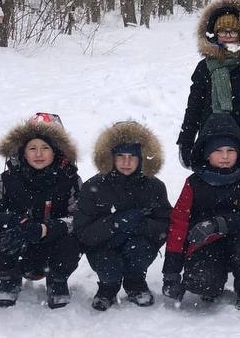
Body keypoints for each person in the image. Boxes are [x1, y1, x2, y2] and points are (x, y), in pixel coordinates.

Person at [0, 113, 82, 309]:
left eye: (45, 148)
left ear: (56, 151)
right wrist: (7, 221)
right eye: (32, 148)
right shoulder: (7, 179)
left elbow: (80, 218)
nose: (38, 154)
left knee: (74, 240)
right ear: (23, 151)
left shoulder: (70, 180)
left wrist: (47, 228)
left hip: (53, 246)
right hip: (18, 246)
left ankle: (57, 281)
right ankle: (9, 278)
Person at [163, 114, 240, 309]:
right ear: (207, 154)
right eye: (218, 151)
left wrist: (220, 224)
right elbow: (179, 224)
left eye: (230, 150)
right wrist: (171, 273)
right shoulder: (194, 183)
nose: (225, 156)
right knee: (202, 284)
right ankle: (213, 283)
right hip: (206, 245)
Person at [74, 120, 172, 311]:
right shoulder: (93, 187)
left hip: (138, 244)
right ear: (110, 157)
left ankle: (135, 283)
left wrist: (140, 226)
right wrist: (115, 223)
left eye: (132, 157)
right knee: (108, 264)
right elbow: (82, 230)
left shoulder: (155, 186)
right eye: (120, 156)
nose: (126, 162)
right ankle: (107, 287)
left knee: (139, 250)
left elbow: (165, 224)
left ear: (141, 158)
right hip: (104, 245)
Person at [177, 0, 240, 173]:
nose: (227, 35)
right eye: (222, 31)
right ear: (214, 34)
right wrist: (186, 140)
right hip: (211, 142)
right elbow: (194, 107)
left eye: (233, 31)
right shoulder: (204, 67)